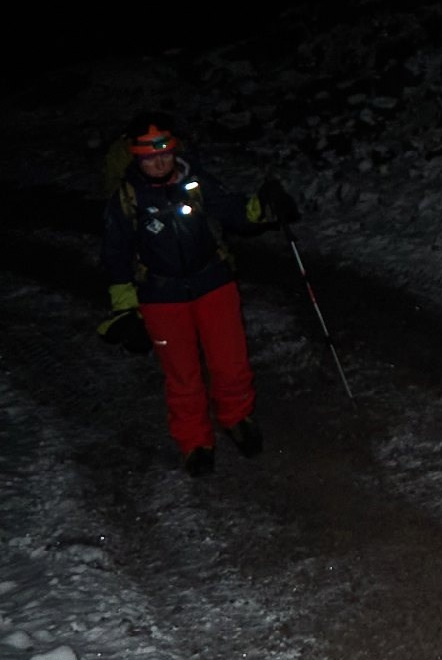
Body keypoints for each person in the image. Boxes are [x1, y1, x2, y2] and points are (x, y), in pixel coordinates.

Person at [99, 113, 298, 475]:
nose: (159, 162)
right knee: (182, 374)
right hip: (162, 297)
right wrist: (125, 309)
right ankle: (194, 441)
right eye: (149, 157)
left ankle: (237, 418)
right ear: (136, 158)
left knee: (230, 360)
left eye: (164, 154)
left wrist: (265, 205)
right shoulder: (127, 199)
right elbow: (115, 256)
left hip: (213, 284)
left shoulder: (195, 180)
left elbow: (235, 210)